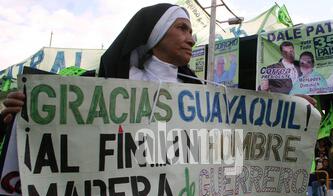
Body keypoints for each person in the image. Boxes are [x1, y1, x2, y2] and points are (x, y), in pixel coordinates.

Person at [1, 3, 201, 123]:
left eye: (190, 32)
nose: (191, 40)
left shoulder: (203, 97)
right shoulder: (96, 84)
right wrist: (26, 110)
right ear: (155, 33)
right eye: (182, 28)